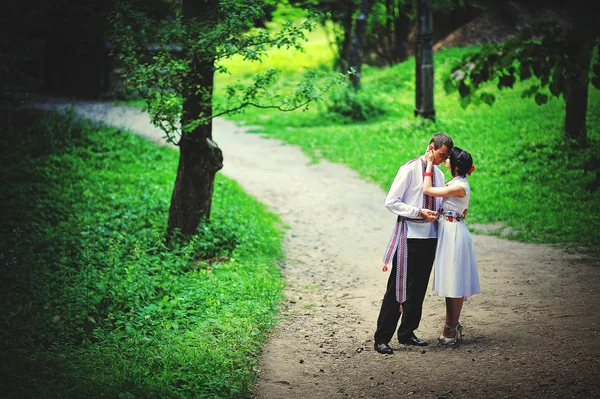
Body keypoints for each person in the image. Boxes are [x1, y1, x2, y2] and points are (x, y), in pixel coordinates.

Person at [374, 132, 453, 355]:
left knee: (418, 288)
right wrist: (417, 211)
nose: (442, 159)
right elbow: (391, 201)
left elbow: (439, 202)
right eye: (441, 154)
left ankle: (407, 332)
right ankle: (382, 338)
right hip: (408, 235)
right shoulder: (408, 169)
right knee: (397, 288)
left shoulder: (437, 174)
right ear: (431, 147)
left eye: (445, 156)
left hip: (430, 237)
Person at [423, 146, 480, 345]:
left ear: (455, 166)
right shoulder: (456, 181)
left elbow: (428, 189)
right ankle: (450, 325)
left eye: (449, 158)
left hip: (454, 234)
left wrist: (429, 164)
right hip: (449, 231)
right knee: (450, 280)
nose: (445, 159)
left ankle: (451, 327)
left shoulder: (460, 185)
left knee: (455, 280)